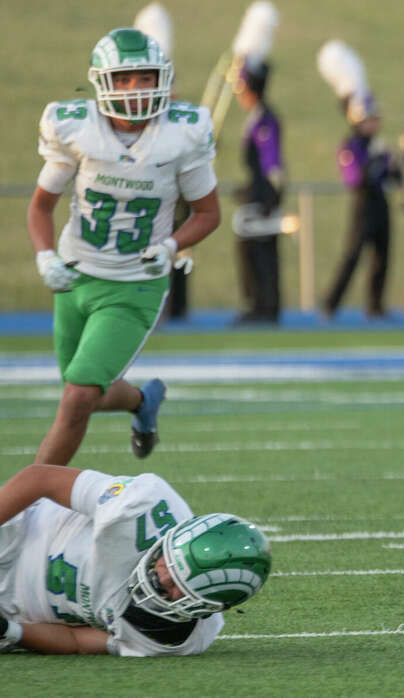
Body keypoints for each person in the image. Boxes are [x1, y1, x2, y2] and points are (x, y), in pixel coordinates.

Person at [28, 27, 219, 465]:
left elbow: (208, 214)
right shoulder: (75, 128)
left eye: (146, 77)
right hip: (75, 278)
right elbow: (41, 207)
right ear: (101, 82)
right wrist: (44, 254)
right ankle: (141, 401)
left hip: (135, 283)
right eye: (125, 79)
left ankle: (25, 502)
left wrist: (171, 246)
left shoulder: (181, 134)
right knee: (83, 393)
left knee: (77, 397)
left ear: (163, 79)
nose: (137, 89)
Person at [0, 463, 270, 655]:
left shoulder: (173, 637)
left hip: (12, 608)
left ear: (210, 609)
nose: (163, 581)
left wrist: (11, 631)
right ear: (171, 539)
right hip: (13, 538)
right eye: (171, 567)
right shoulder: (140, 506)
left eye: (181, 591)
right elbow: (39, 478)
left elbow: (76, 641)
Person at [322, 95, 404, 320]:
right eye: (370, 119)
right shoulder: (351, 146)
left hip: (380, 202)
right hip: (363, 204)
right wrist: (376, 162)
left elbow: (391, 177)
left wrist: (398, 165)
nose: (374, 124)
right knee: (352, 255)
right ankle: (330, 303)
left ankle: (375, 305)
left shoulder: (379, 146)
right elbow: (355, 178)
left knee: (382, 255)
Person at [232, 56, 285, 325]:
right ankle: (259, 304)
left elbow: (270, 161)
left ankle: (264, 307)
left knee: (260, 250)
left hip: (263, 193)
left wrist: (269, 194)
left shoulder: (264, 119)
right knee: (250, 249)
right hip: (257, 189)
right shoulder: (257, 117)